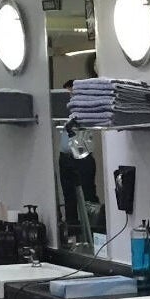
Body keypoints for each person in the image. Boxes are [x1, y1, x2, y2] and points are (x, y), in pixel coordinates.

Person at [57, 80, 99, 235]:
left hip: (83, 156)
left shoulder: (85, 108)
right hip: (65, 157)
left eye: (71, 93)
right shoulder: (62, 111)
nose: (69, 97)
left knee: (88, 196)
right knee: (69, 197)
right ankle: (74, 235)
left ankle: (95, 233)